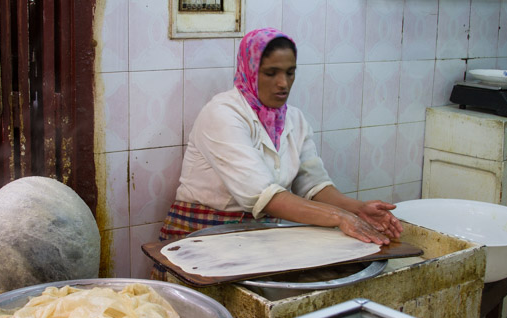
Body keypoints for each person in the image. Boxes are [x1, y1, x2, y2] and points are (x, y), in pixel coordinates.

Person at [159, 27, 402, 249]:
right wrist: (339, 217)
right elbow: (265, 197)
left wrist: (357, 209)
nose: (283, 84)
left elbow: (313, 185)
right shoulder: (222, 114)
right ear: (250, 71)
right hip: (201, 236)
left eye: (290, 73)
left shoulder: (294, 119)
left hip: (259, 237)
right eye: (270, 73)